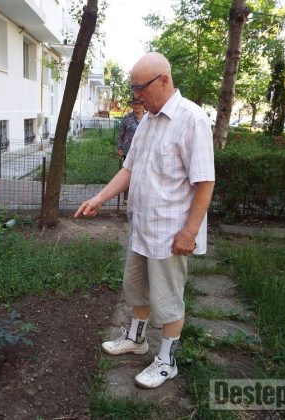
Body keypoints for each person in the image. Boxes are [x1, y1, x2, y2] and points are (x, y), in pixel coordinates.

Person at [74, 52, 215, 389]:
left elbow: (205, 182)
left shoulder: (192, 119)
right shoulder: (148, 121)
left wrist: (190, 232)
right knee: (135, 287)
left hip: (170, 233)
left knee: (168, 300)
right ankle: (136, 339)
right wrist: (99, 198)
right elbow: (129, 168)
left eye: (141, 88)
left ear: (163, 80)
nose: (136, 96)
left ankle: (167, 361)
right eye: (133, 89)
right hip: (142, 227)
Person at [117, 99, 145, 202]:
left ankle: (139, 197)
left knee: (141, 174)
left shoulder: (148, 118)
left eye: (139, 104)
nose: (137, 106)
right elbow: (120, 134)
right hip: (128, 151)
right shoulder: (127, 118)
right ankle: (126, 197)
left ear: (143, 105)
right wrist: (120, 148)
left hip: (144, 151)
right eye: (135, 104)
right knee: (128, 173)